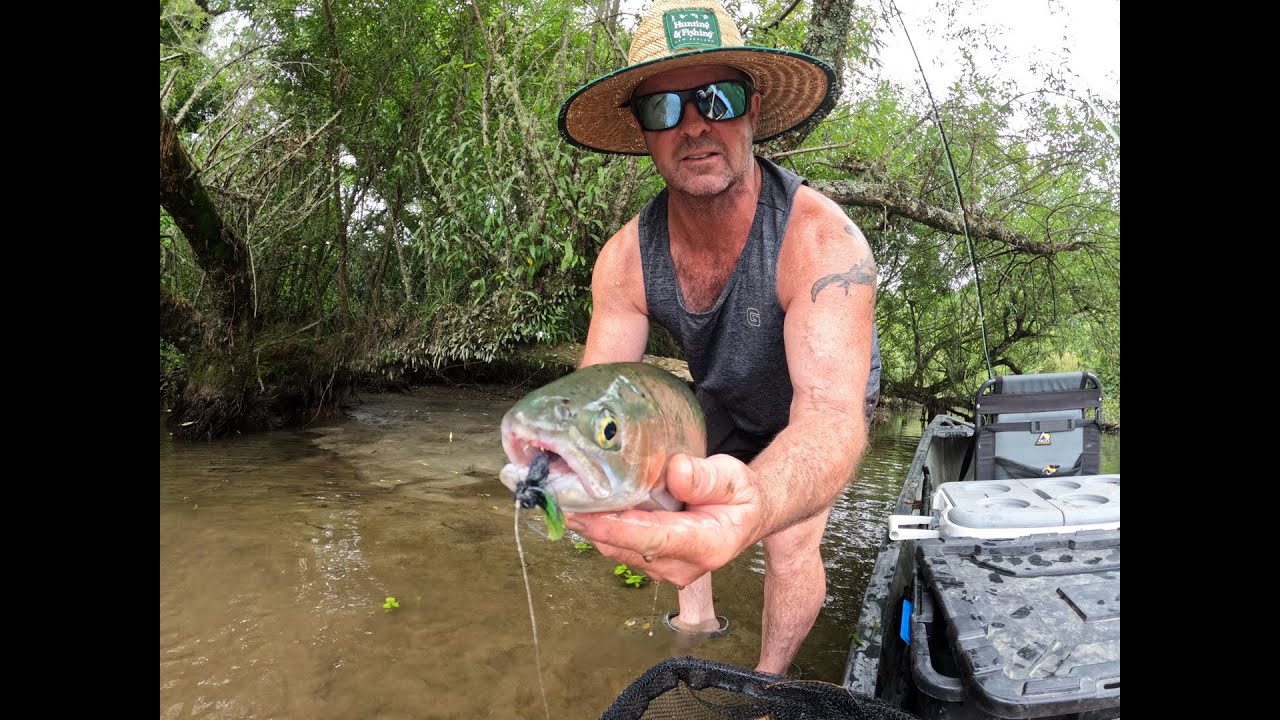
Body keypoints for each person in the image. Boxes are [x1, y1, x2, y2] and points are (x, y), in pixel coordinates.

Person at [559, 0, 882, 676]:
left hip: (817, 397)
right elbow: (594, 403)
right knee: (662, 470)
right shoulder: (625, 260)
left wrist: (757, 504)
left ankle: (769, 687)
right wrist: (567, 468)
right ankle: (696, 622)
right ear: (641, 131)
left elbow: (827, 421)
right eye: (664, 108)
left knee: (790, 540)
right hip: (725, 388)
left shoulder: (822, 242)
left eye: (716, 97)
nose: (695, 125)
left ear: (753, 108)